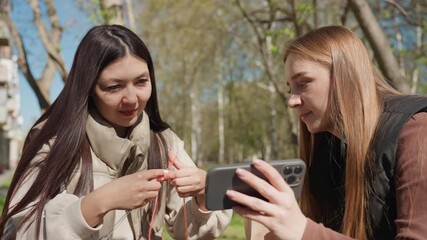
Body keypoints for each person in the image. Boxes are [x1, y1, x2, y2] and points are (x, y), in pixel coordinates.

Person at [0, 24, 232, 240]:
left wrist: (203, 195)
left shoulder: (164, 143)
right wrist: (98, 203)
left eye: (141, 82)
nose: (132, 99)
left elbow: (189, 232)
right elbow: (21, 229)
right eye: (114, 87)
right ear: (88, 88)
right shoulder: (54, 142)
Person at [226, 25, 427, 240]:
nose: (292, 101)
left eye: (303, 84)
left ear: (345, 75)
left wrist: (302, 231)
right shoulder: (328, 149)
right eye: (290, 88)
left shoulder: (416, 130)